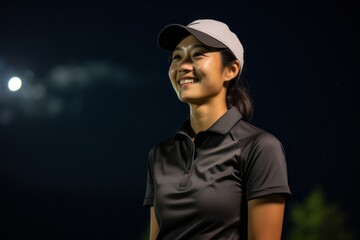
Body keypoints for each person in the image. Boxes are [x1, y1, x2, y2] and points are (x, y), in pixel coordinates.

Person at [143, 19, 291, 240]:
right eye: (177, 57)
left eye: (198, 55)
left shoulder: (260, 147)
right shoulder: (160, 154)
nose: (182, 65)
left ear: (230, 70)